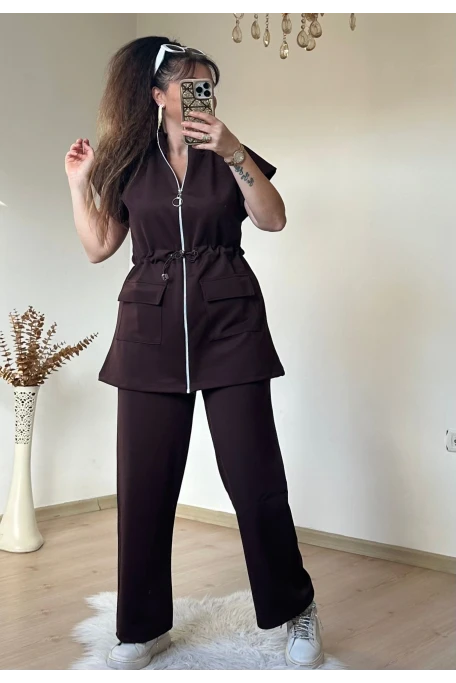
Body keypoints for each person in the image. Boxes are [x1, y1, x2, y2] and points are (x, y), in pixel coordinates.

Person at [65, 36, 323, 672]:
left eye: (208, 85)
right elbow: (99, 247)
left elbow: (273, 219)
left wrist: (233, 151)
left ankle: (296, 608)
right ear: (159, 95)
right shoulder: (130, 162)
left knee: (255, 479)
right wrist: (78, 183)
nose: (201, 96)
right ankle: (142, 626)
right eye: (189, 85)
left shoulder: (230, 154)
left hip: (231, 325)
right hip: (148, 332)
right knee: (144, 487)